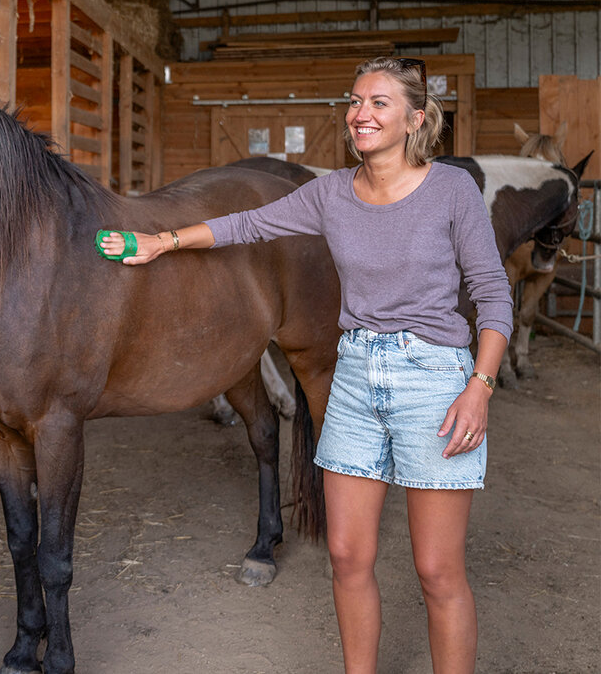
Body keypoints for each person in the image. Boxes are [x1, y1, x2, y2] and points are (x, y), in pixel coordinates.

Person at [101, 56, 512, 674]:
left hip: (435, 379)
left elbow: (493, 293)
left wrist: (479, 386)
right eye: (354, 101)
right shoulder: (331, 193)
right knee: (347, 557)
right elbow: (247, 224)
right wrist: (165, 241)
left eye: (378, 102)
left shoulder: (451, 190)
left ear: (415, 119)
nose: (360, 113)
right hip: (353, 379)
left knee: (436, 569)